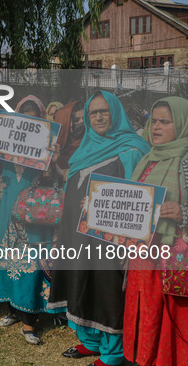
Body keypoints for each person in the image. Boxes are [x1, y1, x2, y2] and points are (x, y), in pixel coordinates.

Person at [47, 91, 150, 366]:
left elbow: (139, 196)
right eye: (94, 113)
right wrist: (56, 163)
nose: (99, 117)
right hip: (76, 235)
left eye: (104, 111)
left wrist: (102, 201)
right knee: (80, 281)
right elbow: (71, 182)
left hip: (109, 240)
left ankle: (113, 352)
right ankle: (90, 341)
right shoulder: (85, 148)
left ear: (115, 113)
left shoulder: (132, 149)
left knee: (107, 289)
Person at [0, 96, 62, 343]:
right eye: (23, 115)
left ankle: (29, 318)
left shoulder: (48, 144)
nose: (28, 120)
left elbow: (53, 179)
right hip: (7, 201)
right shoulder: (6, 138)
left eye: (34, 116)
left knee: (31, 256)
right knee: (8, 253)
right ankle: (13, 308)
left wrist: (53, 158)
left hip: (33, 207)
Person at [123, 97, 188, 365]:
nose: (156, 127)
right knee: (142, 313)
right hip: (141, 256)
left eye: (165, 122)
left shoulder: (185, 162)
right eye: (154, 121)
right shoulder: (147, 158)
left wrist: (184, 214)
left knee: (167, 322)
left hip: (170, 260)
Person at [53, 100, 84, 180]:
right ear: (65, 122)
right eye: (77, 120)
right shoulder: (54, 148)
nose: (82, 122)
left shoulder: (89, 146)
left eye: (84, 119)